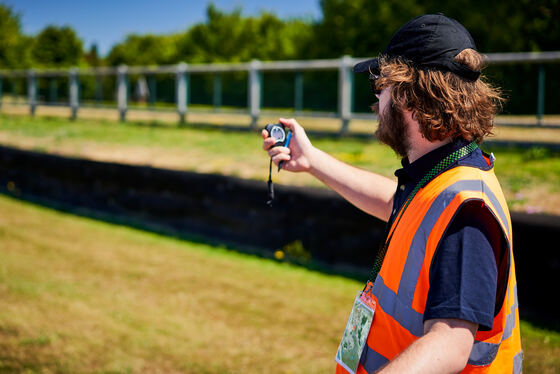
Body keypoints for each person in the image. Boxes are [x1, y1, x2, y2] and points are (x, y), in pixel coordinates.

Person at [262, 14, 522, 374]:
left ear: (408, 94)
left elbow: (450, 341)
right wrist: (312, 161)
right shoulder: (442, 177)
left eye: (380, 87)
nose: (377, 101)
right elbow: (397, 205)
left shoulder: (466, 209)